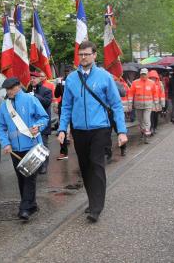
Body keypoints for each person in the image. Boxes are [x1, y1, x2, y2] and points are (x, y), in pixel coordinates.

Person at [57, 40, 128, 223]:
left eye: (87, 54)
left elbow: (116, 105)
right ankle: (92, 201)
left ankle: (97, 207)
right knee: (86, 168)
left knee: (96, 166)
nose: (83, 57)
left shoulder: (104, 77)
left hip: (100, 129)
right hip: (79, 130)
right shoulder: (72, 78)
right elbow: (66, 106)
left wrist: (121, 130)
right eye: (81, 54)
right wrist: (62, 128)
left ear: (95, 55)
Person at [0, 77, 49, 221]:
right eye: (7, 90)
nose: (9, 92)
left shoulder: (30, 100)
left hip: (32, 145)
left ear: (19, 86)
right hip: (14, 148)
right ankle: (31, 204)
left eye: (12, 89)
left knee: (30, 177)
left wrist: (38, 126)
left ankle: (24, 208)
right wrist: (5, 143)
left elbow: (44, 117)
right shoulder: (4, 106)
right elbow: (0, 126)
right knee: (21, 177)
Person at [28, 71, 52, 174]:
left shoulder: (46, 90)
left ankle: (44, 166)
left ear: (39, 79)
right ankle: (35, 165)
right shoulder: (26, 90)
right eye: (31, 78)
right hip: (30, 123)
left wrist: (35, 96)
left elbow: (47, 102)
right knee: (32, 146)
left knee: (43, 145)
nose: (32, 80)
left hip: (42, 122)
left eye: (34, 78)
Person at [128, 68, 158, 144]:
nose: (143, 75)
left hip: (148, 105)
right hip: (138, 106)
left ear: (147, 74)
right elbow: (131, 93)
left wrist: (156, 104)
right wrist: (130, 103)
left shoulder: (151, 83)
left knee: (146, 120)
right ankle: (143, 132)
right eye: (142, 74)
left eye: (145, 74)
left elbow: (155, 93)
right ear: (140, 74)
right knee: (140, 121)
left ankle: (146, 136)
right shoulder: (135, 83)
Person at [54, 66, 72, 160]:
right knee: (62, 129)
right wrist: (58, 85)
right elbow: (56, 95)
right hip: (64, 107)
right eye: (65, 71)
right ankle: (63, 152)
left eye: (68, 71)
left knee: (77, 130)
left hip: (75, 108)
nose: (67, 73)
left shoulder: (75, 80)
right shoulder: (62, 81)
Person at [147, 70, 165, 135]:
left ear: (156, 77)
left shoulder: (160, 84)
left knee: (156, 116)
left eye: (154, 77)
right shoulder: (148, 83)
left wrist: (163, 104)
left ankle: (155, 127)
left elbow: (162, 93)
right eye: (151, 77)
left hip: (158, 104)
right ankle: (151, 128)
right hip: (150, 103)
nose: (153, 79)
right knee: (151, 116)